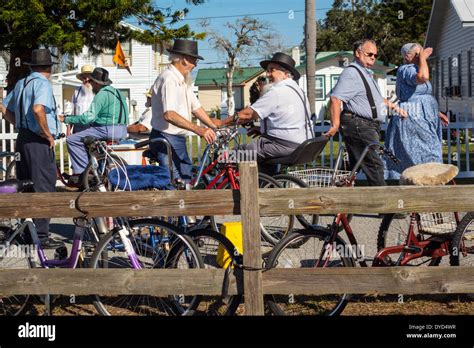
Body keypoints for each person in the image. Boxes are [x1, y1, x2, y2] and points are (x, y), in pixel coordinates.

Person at [325, 39, 407, 186]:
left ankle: (338, 201)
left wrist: (395, 107)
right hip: (359, 125)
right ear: (358, 53)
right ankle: (386, 208)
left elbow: (376, 98)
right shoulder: (351, 73)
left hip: (365, 125)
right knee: (375, 166)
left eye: (375, 55)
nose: (373, 58)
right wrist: (335, 124)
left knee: (353, 167)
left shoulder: (365, 73)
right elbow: (336, 98)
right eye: (370, 54)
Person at [4, 48, 64, 248]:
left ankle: (28, 232)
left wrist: (18, 124)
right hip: (38, 141)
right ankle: (41, 236)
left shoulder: (22, 83)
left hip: (23, 139)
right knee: (44, 186)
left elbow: (4, 107)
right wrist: (47, 134)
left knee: (26, 184)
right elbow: (38, 109)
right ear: (49, 68)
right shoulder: (42, 84)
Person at [221, 52, 314, 175]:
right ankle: (267, 183)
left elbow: (248, 115)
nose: (267, 74)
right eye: (267, 70)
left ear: (285, 73)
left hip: (282, 145)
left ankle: (233, 189)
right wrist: (261, 129)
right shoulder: (298, 91)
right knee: (262, 161)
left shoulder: (277, 91)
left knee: (230, 155)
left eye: (271, 70)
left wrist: (221, 123)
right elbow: (287, 120)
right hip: (299, 145)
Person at [149, 39, 219, 182]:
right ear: (185, 60)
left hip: (176, 138)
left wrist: (214, 126)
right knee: (176, 183)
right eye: (194, 61)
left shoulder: (182, 79)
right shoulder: (169, 79)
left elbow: (196, 108)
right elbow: (169, 114)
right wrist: (198, 129)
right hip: (166, 137)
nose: (195, 65)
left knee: (186, 179)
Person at [384, 43, 449, 180]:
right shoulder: (407, 69)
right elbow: (423, 78)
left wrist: (437, 113)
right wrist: (423, 59)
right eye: (419, 54)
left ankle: (428, 183)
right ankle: (425, 182)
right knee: (425, 152)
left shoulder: (416, 67)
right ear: (408, 56)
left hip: (425, 116)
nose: (422, 56)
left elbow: (420, 95)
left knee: (428, 150)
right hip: (412, 117)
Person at [59, 67, 128, 175]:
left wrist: (67, 119)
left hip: (106, 129)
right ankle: (99, 172)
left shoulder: (101, 94)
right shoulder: (117, 92)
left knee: (72, 140)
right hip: (122, 130)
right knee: (92, 145)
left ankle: (82, 173)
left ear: (95, 82)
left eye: (91, 80)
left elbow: (87, 117)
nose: (89, 83)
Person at [70, 64, 95, 133]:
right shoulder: (77, 91)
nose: (87, 80)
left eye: (89, 78)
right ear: (81, 79)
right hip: (78, 126)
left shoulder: (97, 91)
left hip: (92, 126)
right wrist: (68, 129)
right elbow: (73, 111)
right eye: (84, 78)